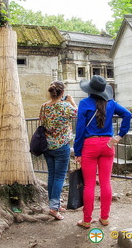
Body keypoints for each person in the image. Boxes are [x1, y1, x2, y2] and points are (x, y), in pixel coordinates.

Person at [74, 75, 131, 228]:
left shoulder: (84, 103)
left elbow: (79, 129)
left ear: (89, 90)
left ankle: (86, 220)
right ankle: (104, 218)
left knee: (90, 184)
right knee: (106, 182)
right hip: (107, 144)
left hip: (89, 145)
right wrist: (119, 135)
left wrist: (77, 151)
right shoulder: (111, 103)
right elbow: (128, 114)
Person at [40, 81, 77, 220]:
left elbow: (41, 123)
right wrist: (72, 101)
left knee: (52, 175)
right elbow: (77, 113)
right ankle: (54, 208)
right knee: (60, 177)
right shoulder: (66, 106)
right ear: (62, 93)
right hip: (62, 146)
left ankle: (54, 203)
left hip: (47, 145)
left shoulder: (44, 107)